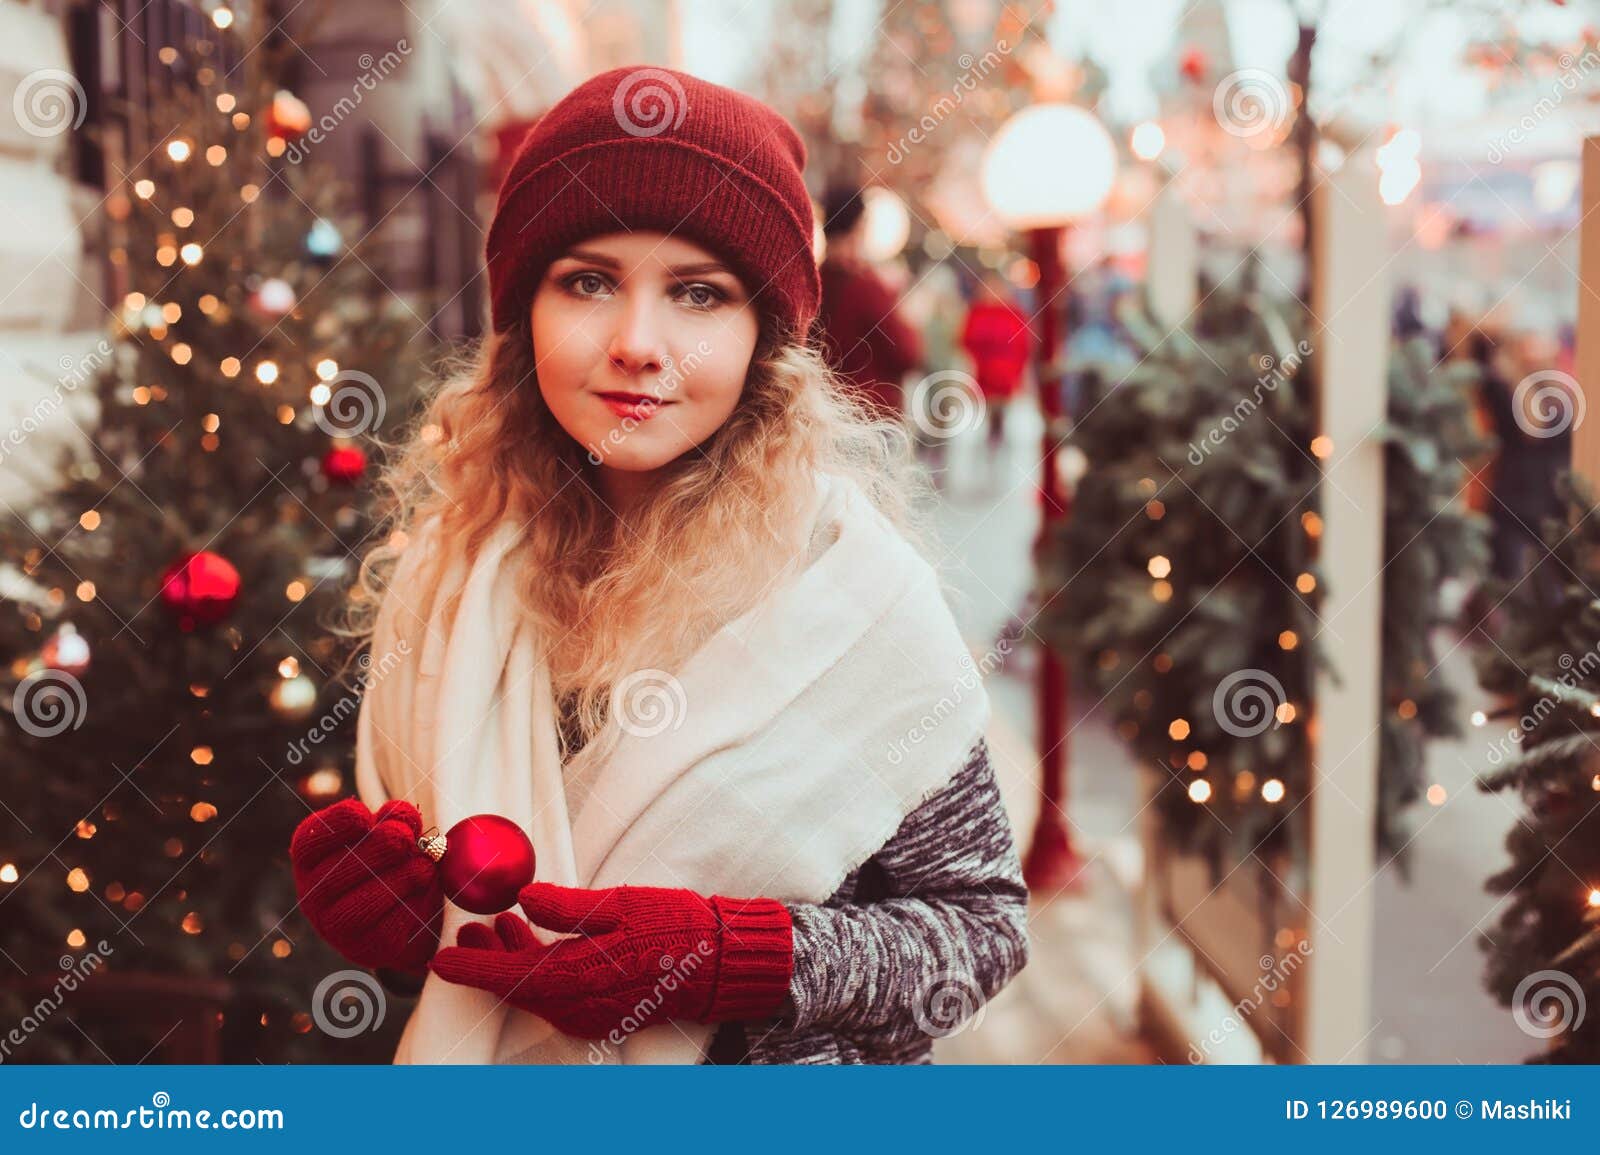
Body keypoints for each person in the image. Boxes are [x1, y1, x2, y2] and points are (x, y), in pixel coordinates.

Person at [286, 67, 1028, 1066]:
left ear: (763, 337)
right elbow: (468, 903)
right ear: (523, 316)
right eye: (588, 281)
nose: (638, 344)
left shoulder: (851, 597)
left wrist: (740, 962)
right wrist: (403, 924)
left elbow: (978, 933)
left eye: (698, 294)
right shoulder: (449, 579)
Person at [814, 182, 923, 421]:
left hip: (822, 413)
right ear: (859, 226)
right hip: (871, 418)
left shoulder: (813, 281)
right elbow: (908, 354)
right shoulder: (867, 288)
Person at [960, 275, 1032, 453]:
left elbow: (1023, 347)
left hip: (1007, 377)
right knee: (980, 421)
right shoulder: (976, 313)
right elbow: (966, 344)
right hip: (982, 377)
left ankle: (999, 444)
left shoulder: (1014, 314)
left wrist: (1019, 375)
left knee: (1005, 419)